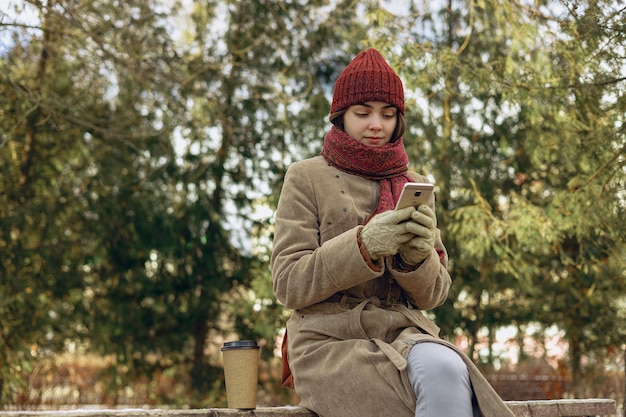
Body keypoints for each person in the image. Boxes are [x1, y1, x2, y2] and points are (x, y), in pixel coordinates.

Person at [270, 48, 514, 417]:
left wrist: (417, 260)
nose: (376, 125)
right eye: (363, 112)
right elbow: (288, 283)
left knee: (447, 368)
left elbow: (434, 295)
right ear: (341, 117)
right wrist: (361, 247)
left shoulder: (414, 185)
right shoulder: (305, 176)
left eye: (387, 114)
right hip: (328, 341)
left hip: (404, 332)